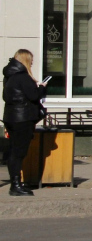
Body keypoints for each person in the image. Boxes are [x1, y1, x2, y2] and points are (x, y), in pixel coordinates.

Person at [3, 50, 47, 196]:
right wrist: (42, 87)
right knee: (19, 152)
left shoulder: (9, 77)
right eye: (31, 60)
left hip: (11, 117)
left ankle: (15, 183)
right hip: (23, 119)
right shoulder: (23, 77)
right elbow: (34, 96)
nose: (33, 62)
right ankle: (15, 186)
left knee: (13, 151)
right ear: (26, 60)